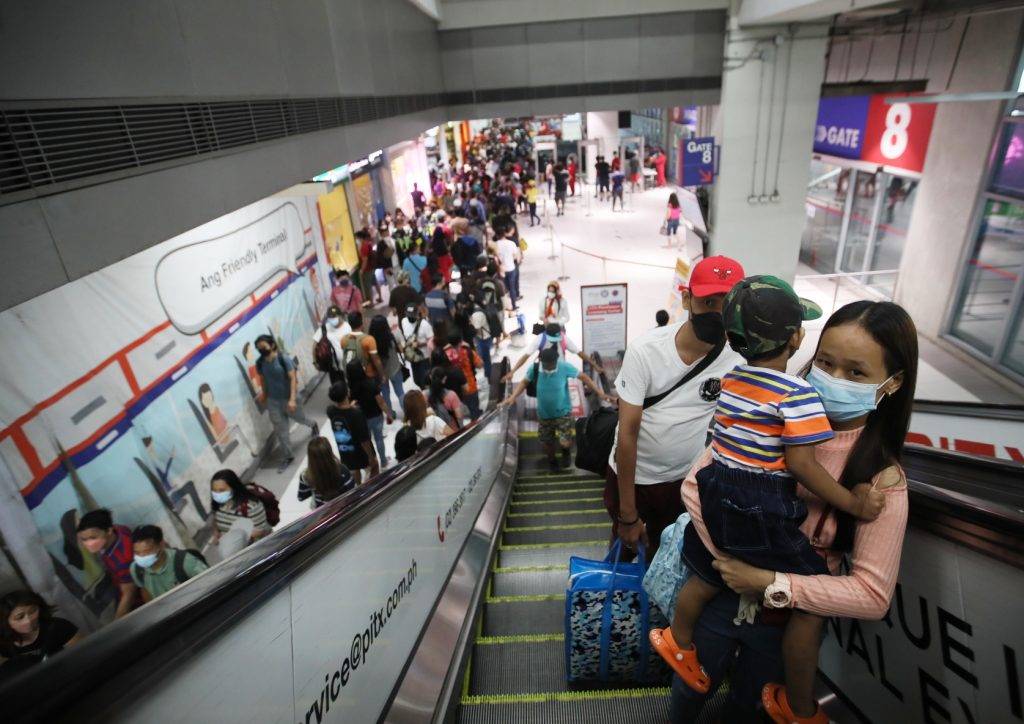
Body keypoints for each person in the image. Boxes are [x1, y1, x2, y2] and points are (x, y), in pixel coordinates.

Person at [669, 300, 917, 723]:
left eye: (856, 372)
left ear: (891, 383)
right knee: (687, 693)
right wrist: (727, 557)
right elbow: (696, 484)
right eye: (825, 362)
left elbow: (873, 596)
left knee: (750, 706)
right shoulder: (770, 416)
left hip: (783, 625)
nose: (834, 379)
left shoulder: (882, 480)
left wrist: (770, 581)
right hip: (718, 594)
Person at [608, 256, 746, 562]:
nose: (718, 314)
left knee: (667, 555)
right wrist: (628, 515)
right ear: (687, 299)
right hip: (634, 480)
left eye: (728, 306)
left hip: (681, 481)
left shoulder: (737, 359)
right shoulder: (645, 351)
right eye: (709, 302)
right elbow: (628, 433)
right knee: (627, 549)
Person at [502, 346, 613, 471]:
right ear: (541, 362)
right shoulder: (535, 369)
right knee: (547, 442)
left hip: (563, 413)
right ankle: (552, 461)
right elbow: (524, 382)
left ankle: (565, 452)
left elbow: (584, 377)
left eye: (552, 364)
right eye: (546, 365)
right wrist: (513, 397)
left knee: (565, 442)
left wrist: (600, 392)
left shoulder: (564, 367)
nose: (549, 367)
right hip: (544, 415)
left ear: (556, 361)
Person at [254, 334, 319, 473]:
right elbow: (264, 380)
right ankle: (288, 456)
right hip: (273, 402)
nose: (261, 350)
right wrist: (264, 395)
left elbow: (292, 379)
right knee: (281, 431)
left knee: (300, 419)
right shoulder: (260, 363)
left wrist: (292, 399)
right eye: (259, 349)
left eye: (263, 347)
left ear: (272, 345)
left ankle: (313, 424)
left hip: (289, 398)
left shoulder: (283, 359)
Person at [0, 590, 81, 679]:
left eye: (33, 611)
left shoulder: (59, 626)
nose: (28, 620)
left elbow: (84, 655)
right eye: (19, 617)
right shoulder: (3, 643)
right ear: (6, 621)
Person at [75, 509, 139, 619]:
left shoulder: (122, 560)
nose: (88, 543)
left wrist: (116, 624)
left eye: (93, 538)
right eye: (84, 539)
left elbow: (129, 594)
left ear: (108, 531)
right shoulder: (119, 530)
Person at [129, 525, 208, 603]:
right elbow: (146, 593)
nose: (142, 557)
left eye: (147, 551)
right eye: (137, 553)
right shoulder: (136, 569)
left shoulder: (185, 563)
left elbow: (209, 584)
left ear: (161, 545)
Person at [503, 322, 602, 381]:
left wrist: (595, 366)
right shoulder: (540, 339)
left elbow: (580, 353)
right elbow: (526, 356)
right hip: (544, 371)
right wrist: (513, 371)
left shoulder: (563, 338)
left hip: (561, 370)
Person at [326, 379, 380, 486]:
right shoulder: (357, 414)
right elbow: (364, 440)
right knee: (374, 468)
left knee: (355, 470)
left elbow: (342, 412)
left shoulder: (330, 411)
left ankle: (358, 488)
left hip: (345, 450)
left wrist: (350, 406)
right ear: (347, 393)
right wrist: (371, 457)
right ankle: (369, 490)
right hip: (361, 452)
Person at [346, 359, 393, 466]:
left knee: (367, 442)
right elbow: (380, 402)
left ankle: (373, 461)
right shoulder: (371, 383)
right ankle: (383, 461)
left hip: (361, 420)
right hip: (376, 416)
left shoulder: (350, 389)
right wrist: (389, 414)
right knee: (379, 439)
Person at [209, 469, 273, 545]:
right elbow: (216, 520)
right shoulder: (218, 504)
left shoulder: (251, 506)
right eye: (214, 490)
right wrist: (216, 535)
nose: (217, 494)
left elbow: (259, 531)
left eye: (222, 490)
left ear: (233, 488)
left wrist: (233, 541)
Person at [298, 436, 355, 508]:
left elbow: (301, 497)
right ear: (330, 452)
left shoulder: (306, 475)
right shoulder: (343, 470)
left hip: (321, 511)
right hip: (343, 508)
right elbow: (351, 488)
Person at [368, 315, 406, 417]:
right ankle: (407, 412)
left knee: (385, 394)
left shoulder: (371, 341)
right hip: (395, 368)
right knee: (400, 391)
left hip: (381, 373)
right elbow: (401, 349)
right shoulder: (393, 335)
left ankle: (390, 414)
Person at [442, 332, 484, 420]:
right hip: (470, 386)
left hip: (454, 390)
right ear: (461, 340)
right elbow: (480, 364)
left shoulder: (445, 354)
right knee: (474, 409)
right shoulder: (467, 351)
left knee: (460, 411)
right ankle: (476, 423)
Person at [398, 303, 434, 388]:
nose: (410, 317)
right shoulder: (404, 321)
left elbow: (432, 340)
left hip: (424, 358)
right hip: (413, 358)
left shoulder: (424, 324)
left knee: (425, 381)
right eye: (408, 315)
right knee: (416, 380)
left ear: (417, 313)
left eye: (412, 315)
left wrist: (420, 344)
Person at [313, 305, 350, 384]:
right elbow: (314, 345)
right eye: (330, 317)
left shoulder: (348, 327)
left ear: (340, 316)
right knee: (339, 391)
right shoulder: (324, 328)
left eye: (334, 316)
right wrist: (315, 361)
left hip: (349, 366)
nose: (332, 319)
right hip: (334, 368)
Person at [426, 366, 463, 431]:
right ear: (444, 379)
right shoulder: (451, 395)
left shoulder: (425, 395)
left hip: (435, 430)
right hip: (451, 429)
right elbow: (459, 416)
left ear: (430, 377)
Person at [495, 223, 522, 306]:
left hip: (502, 269)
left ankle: (506, 306)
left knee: (503, 289)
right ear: (504, 234)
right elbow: (515, 256)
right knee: (512, 288)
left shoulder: (495, 245)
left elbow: (495, 258)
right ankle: (513, 305)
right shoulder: (511, 243)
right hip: (511, 267)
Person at [424, 273, 454, 339]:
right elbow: (453, 312)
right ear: (439, 282)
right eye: (443, 279)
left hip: (434, 327)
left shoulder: (427, 296)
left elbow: (426, 313)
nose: (445, 280)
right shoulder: (445, 295)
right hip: (446, 327)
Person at [357, 229, 381, 307]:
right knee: (375, 282)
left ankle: (371, 303)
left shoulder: (364, 247)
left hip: (367, 269)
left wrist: (362, 270)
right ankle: (380, 297)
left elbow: (365, 260)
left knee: (368, 286)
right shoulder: (368, 244)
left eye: (357, 238)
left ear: (360, 238)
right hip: (372, 267)